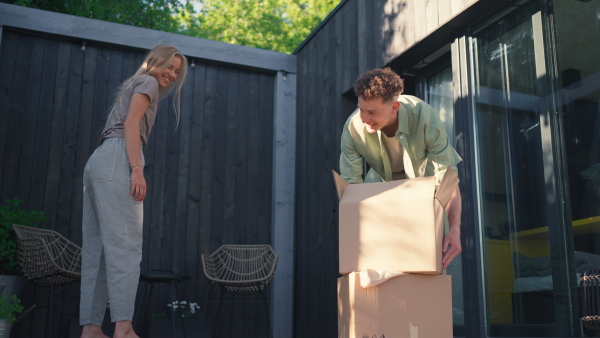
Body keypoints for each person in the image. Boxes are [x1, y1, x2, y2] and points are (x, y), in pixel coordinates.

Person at [80, 44, 188, 338]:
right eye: (169, 66)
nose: (172, 74)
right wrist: (136, 169)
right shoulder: (148, 81)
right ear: (154, 62)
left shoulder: (136, 82)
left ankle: (91, 329)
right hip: (119, 158)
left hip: (99, 160)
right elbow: (130, 124)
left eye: (177, 71)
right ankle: (124, 328)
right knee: (125, 245)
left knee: (98, 250)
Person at [340, 67, 462, 269]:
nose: (364, 118)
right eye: (361, 109)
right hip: (379, 187)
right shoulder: (353, 126)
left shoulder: (424, 116)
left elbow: (447, 178)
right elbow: (351, 186)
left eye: (372, 112)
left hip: (426, 189)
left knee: (435, 257)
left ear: (394, 107)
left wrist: (455, 229)